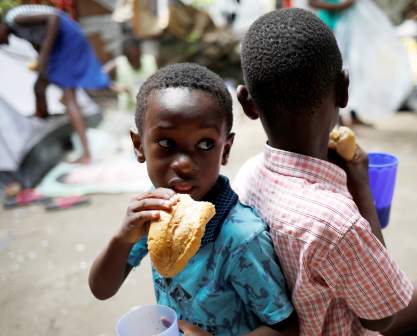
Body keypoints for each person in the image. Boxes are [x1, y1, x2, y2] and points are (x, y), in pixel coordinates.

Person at [234, 8, 417, 336]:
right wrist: (361, 184)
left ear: (248, 104)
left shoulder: (248, 174)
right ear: (343, 89)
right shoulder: (336, 223)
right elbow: (381, 316)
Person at [88, 63, 298, 336]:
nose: (185, 164)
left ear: (226, 149)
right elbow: (102, 289)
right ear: (139, 146)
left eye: (205, 144)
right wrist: (122, 238)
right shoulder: (155, 212)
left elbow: (286, 328)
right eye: (166, 144)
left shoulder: (241, 239)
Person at [0, 5, 111, 164]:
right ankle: (43, 123)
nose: (1, 43)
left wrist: (44, 58)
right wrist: (42, 63)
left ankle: (86, 155)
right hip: (59, 43)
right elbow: (38, 42)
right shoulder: (16, 30)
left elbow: (54, 18)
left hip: (67, 39)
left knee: (69, 96)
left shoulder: (15, 19)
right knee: (39, 87)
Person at [104, 36, 158, 113]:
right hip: (129, 110)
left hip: (151, 107)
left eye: (136, 57)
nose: (134, 61)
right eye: (131, 59)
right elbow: (99, 77)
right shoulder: (118, 63)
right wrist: (114, 87)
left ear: (140, 51)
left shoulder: (151, 61)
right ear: (125, 56)